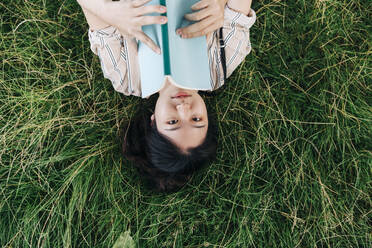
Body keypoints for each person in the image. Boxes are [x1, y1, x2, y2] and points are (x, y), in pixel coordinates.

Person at [77, 0, 256, 192]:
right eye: (196, 119)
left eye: (172, 122)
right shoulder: (221, 63)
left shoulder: (125, 76)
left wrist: (107, 11)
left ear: (153, 122)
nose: (183, 107)